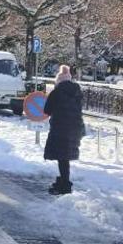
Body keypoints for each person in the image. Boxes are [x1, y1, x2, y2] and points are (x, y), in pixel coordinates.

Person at [44, 65, 84, 195]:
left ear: (58, 80)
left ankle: (65, 185)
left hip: (60, 128)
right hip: (75, 127)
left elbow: (47, 110)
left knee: (62, 156)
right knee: (64, 156)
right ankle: (62, 180)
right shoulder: (77, 91)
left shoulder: (56, 92)